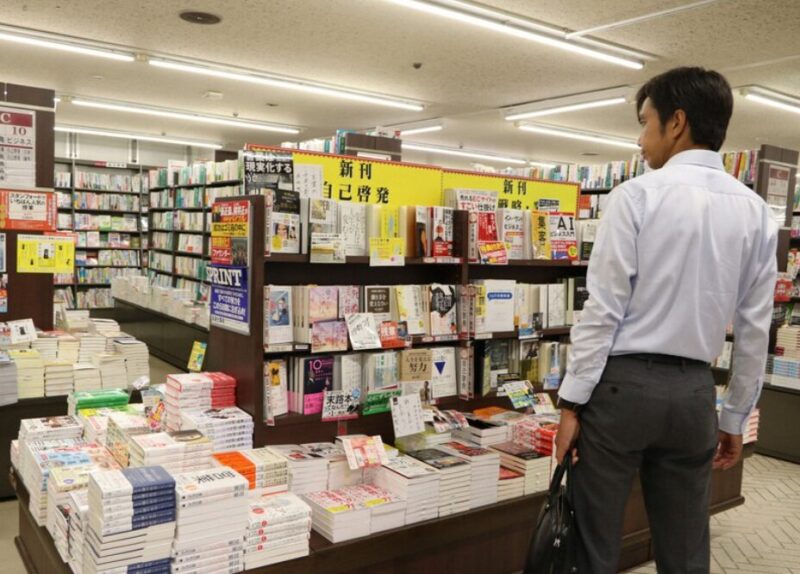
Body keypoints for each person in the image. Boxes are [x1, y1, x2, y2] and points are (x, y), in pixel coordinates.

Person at [554, 67, 777, 573]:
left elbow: (603, 309)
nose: (640, 139)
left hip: (621, 393)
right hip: (696, 393)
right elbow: (754, 328)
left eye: (645, 122)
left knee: (594, 540)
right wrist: (735, 416)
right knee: (685, 545)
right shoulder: (758, 213)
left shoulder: (636, 196)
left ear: (676, 123)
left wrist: (570, 404)